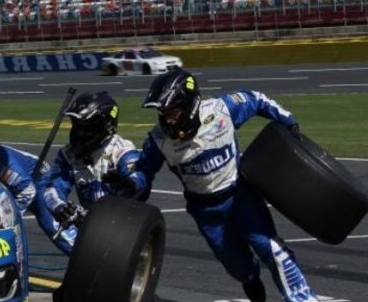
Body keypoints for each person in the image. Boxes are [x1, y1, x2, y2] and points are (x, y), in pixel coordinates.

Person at [124, 70, 318, 302]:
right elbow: (144, 171)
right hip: (206, 212)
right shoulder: (158, 140)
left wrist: (288, 121)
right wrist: (131, 183)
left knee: (273, 250)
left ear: (190, 105)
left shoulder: (222, 110)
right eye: (162, 113)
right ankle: (250, 278)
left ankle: (302, 298)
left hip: (241, 196)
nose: (168, 120)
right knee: (238, 267)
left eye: (172, 112)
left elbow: (257, 99)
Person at [35, 91, 146, 255]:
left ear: (106, 127)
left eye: (87, 129)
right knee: (43, 207)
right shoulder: (68, 154)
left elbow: (140, 177)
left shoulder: (123, 151)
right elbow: (53, 187)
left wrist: (128, 182)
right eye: (77, 127)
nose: (80, 133)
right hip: (92, 224)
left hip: (125, 228)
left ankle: (96, 261)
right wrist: (59, 207)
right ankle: (87, 258)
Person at [0, 144, 77, 256]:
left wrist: (10, 220)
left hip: (39, 181)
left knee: (52, 224)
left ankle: (87, 258)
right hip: (12, 185)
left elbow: (27, 190)